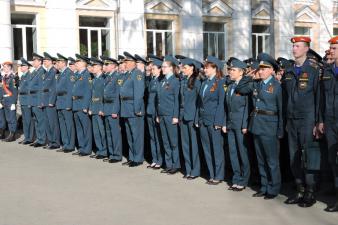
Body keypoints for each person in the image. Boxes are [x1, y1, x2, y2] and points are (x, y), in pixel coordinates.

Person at [236, 53, 283, 199]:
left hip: (270, 126)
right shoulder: (256, 84)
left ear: (271, 70)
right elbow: (241, 89)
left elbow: (281, 110)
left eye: (263, 69)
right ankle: (264, 186)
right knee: (261, 159)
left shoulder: (277, 86)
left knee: (272, 160)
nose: (260, 71)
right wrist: (249, 75)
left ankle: (273, 189)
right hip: (256, 125)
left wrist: (280, 130)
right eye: (259, 69)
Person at [282, 37, 322, 207]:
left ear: (306, 49)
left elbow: (319, 98)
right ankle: (299, 189)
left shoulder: (313, 70)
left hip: (307, 119)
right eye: (293, 46)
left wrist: (318, 121)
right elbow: (285, 98)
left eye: (297, 46)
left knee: (308, 156)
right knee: (294, 156)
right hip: (292, 120)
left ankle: (310, 192)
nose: (294, 49)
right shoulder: (289, 70)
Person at [195, 56, 225, 185]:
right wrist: (197, 118)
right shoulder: (205, 82)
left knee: (216, 149)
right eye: (204, 67)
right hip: (203, 120)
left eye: (207, 67)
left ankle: (218, 175)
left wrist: (218, 122)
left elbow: (221, 104)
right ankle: (211, 174)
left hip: (214, 121)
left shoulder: (220, 82)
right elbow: (199, 103)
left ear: (215, 68)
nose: (204, 69)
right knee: (207, 149)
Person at [223, 59, 250, 191]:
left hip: (240, 125)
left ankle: (244, 180)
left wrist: (245, 124)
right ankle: (236, 178)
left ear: (241, 72)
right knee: (233, 152)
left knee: (242, 153)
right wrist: (225, 123)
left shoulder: (244, 86)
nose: (230, 72)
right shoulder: (231, 86)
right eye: (230, 70)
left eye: (233, 70)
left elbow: (246, 107)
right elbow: (226, 107)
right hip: (231, 123)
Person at [119, 52, 145, 167]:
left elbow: (139, 93)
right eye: (125, 62)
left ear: (133, 63)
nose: (125, 64)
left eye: (127, 62)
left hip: (133, 107)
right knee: (129, 134)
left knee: (136, 134)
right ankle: (132, 156)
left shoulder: (137, 74)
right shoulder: (127, 74)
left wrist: (137, 108)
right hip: (126, 107)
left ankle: (138, 158)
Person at [156, 55, 181, 175]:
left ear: (171, 68)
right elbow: (159, 100)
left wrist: (175, 116)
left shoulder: (175, 81)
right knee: (165, 141)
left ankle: (175, 165)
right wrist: (158, 114)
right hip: (162, 114)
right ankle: (169, 163)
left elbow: (177, 100)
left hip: (171, 115)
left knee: (173, 141)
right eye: (162, 67)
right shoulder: (162, 81)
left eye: (165, 67)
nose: (162, 69)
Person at [322, 36, 338, 212]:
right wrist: (320, 120)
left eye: (334, 48)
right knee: (333, 161)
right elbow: (322, 99)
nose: (330, 51)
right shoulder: (327, 71)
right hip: (330, 122)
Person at [179, 57, 201, 179]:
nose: (183, 70)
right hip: (183, 116)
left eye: (185, 68)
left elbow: (199, 102)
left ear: (192, 68)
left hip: (192, 116)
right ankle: (188, 169)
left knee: (193, 145)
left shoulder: (197, 81)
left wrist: (197, 117)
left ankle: (195, 170)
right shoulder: (183, 81)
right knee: (185, 145)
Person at [101, 56, 122, 163]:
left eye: (107, 64)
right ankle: (111, 153)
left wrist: (115, 110)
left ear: (113, 66)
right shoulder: (108, 77)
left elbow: (117, 95)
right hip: (106, 107)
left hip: (113, 108)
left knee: (114, 133)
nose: (105, 66)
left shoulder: (117, 77)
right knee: (108, 132)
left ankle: (117, 155)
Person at [72, 54, 93, 157]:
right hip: (76, 104)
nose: (76, 63)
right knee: (79, 128)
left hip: (82, 105)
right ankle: (81, 147)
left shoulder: (87, 75)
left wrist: (85, 106)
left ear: (83, 63)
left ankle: (87, 148)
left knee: (85, 128)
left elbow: (88, 92)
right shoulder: (77, 75)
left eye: (78, 62)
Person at [55, 53, 75, 153]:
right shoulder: (60, 74)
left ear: (63, 63)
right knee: (62, 125)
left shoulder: (69, 73)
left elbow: (70, 90)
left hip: (66, 102)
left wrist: (68, 104)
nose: (56, 64)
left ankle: (70, 145)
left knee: (68, 125)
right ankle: (65, 144)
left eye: (58, 62)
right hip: (60, 102)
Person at [88, 57, 107, 159]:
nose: (93, 68)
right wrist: (90, 107)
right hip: (94, 107)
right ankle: (99, 150)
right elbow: (92, 95)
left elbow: (104, 96)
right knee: (96, 131)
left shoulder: (104, 78)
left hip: (100, 107)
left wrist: (102, 108)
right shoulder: (95, 79)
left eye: (94, 66)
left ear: (100, 67)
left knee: (101, 131)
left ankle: (104, 151)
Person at [146, 58, 163, 169]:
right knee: (152, 137)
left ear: (159, 69)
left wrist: (158, 113)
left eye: (154, 69)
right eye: (151, 69)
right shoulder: (152, 80)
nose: (152, 71)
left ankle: (160, 160)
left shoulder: (161, 80)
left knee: (158, 137)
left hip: (156, 112)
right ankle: (154, 158)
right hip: (150, 110)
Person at [41, 52, 60, 149]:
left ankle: (55, 142)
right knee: (47, 122)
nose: (44, 62)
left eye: (45, 61)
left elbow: (54, 88)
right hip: (45, 101)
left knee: (52, 123)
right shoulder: (47, 72)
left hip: (50, 101)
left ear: (50, 61)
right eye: (43, 61)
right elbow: (44, 89)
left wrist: (51, 101)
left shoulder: (54, 71)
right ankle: (50, 141)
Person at [29, 53, 47, 147]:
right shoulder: (35, 71)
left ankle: (42, 140)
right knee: (36, 120)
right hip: (33, 100)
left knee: (40, 120)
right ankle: (39, 138)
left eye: (35, 60)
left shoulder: (41, 72)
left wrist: (41, 101)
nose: (33, 62)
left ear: (40, 61)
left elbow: (41, 88)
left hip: (38, 100)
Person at [18, 58, 34, 145]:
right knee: (24, 120)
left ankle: (30, 138)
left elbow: (29, 90)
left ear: (27, 67)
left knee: (29, 120)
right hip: (23, 100)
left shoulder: (29, 76)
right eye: (21, 66)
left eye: (23, 66)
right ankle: (26, 137)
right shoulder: (23, 76)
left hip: (27, 100)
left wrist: (29, 102)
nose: (21, 67)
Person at [1, 61, 18, 142]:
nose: (4, 68)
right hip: (5, 100)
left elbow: (14, 91)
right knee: (8, 118)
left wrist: (13, 102)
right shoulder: (4, 77)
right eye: (4, 67)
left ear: (9, 67)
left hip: (10, 100)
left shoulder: (13, 77)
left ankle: (13, 135)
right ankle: (10, 134)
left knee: (12, 118)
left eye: (5, 67)